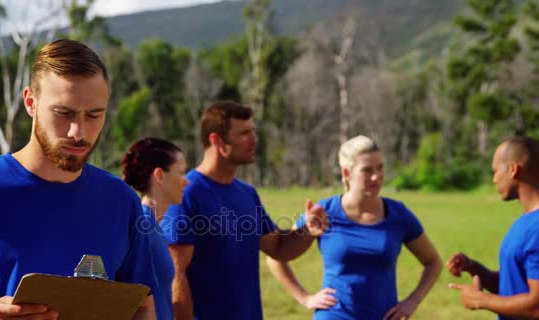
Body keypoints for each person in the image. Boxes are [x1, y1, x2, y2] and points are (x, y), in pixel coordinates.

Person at [0, 39, 157, 320]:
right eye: (64, 113)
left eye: (94, 115)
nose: (79, 131)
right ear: (30, 102)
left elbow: (143, 307)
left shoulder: (122, 201)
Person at [160, 101, 328, 320]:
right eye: (244, 133)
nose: (254, 140)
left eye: (253, 132)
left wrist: (307, 229)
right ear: (217, 140)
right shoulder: (186, 194)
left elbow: (278, 247)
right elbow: (174, 273)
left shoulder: (246, 193)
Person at [266, 135, 442, 320]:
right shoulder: (324, 212)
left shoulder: (398, 215)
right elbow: (276, 257)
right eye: (367, 170)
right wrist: (305, 298)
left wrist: (412, 302)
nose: (376, 176)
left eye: (380, 167)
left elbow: (433, 262)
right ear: (347, 173)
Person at [448, 136, 539, 320]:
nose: (494, 179)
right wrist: (474, 268)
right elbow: (513, 289)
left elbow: (536, 307)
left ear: (513, 169)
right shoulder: (525, 221)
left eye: (496, 171)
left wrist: (481, 300)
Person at [122, 137, 189, 320]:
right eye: (181, 173)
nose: (186, 182)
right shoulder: (143, 227)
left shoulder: (153, 226)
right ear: (159, 175)